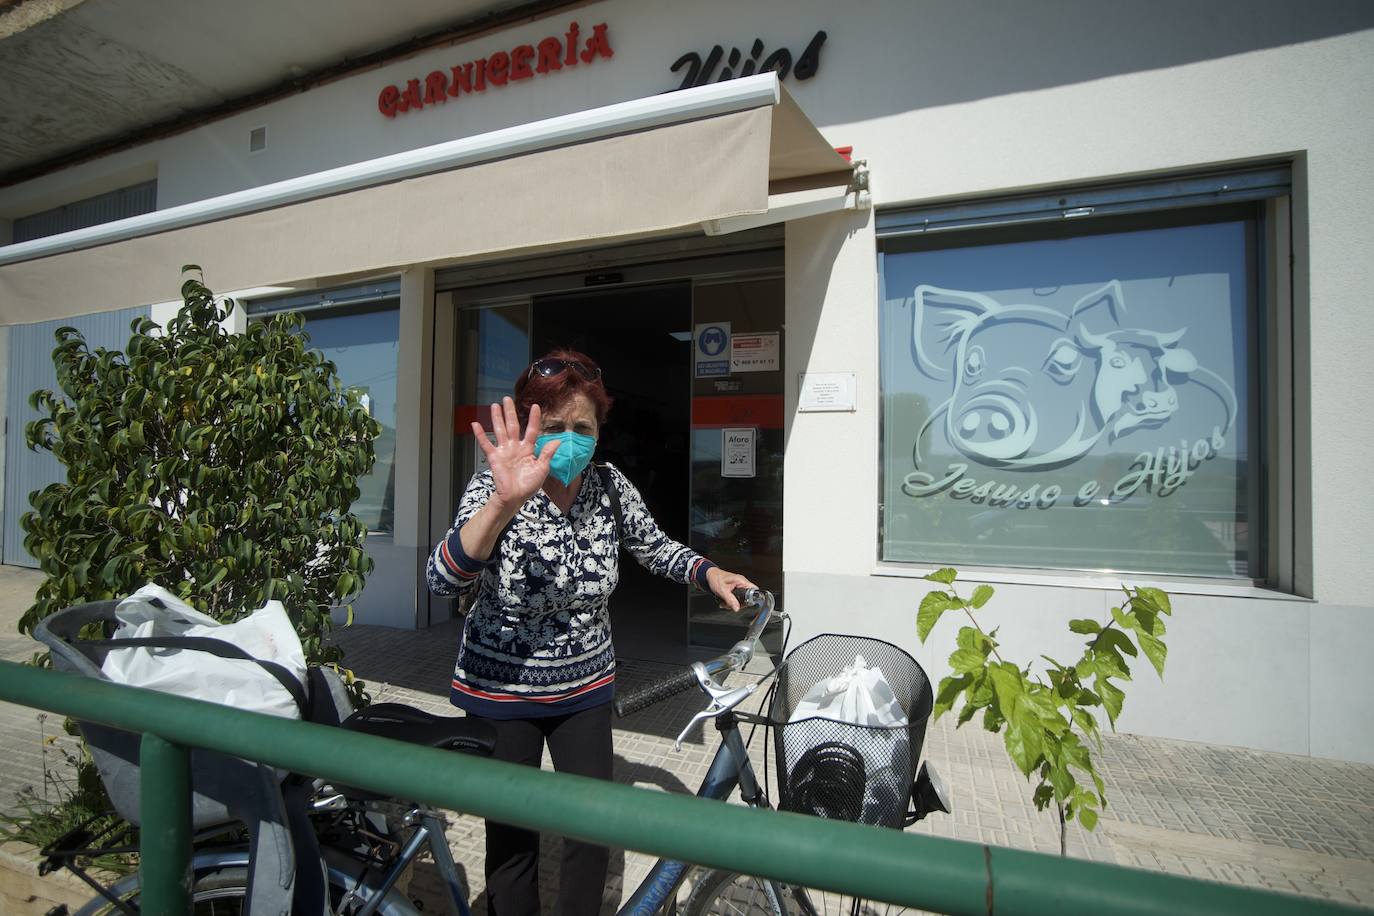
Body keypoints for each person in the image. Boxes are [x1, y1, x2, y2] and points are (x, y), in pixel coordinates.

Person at [426, 348, 756, 916]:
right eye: (554, 428)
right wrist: (504, 504)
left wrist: (709, 572)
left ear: (600, 431)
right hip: (503, 692)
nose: (570, 439)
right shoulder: (497, 487)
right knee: (513, 837)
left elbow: (653, 545)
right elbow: (440, 577)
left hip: (584, 687)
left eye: (583, 427)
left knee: (591, 828)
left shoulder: (607, 486)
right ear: (531, 428)